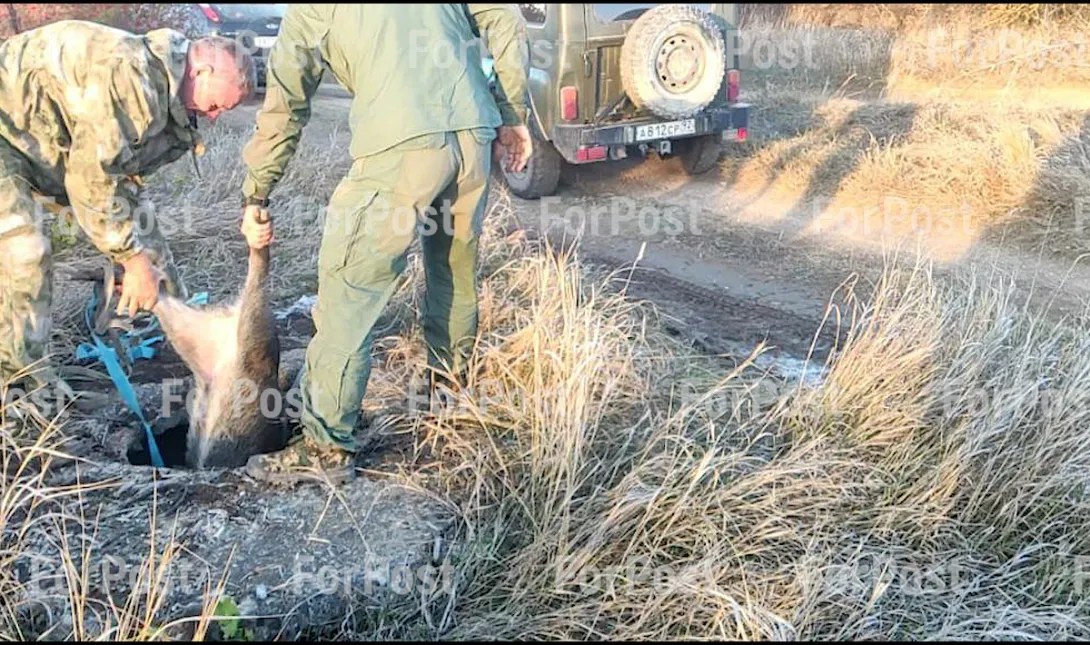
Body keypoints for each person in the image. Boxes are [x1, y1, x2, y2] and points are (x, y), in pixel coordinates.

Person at [238, 4, 533, 484]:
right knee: (452, 270)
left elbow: (284, 106)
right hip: (473, 135)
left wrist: (257, 190)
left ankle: (324, 447)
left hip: (401, 143)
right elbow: (504, 16)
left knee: (350, 286)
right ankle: (447, 393)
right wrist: (512, 112)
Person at [0, 19, 256, 412]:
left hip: (38, 146)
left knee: (148, 255)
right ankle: (22, 395)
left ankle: (198, 357)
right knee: (25, 252)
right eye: (220, 104)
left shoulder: (171, 100)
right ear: (201, 69)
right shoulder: (132, 78)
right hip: (8, 133)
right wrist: (130, 261)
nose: (217, 116)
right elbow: (90, 182)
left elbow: (124, 192)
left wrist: (157, 278)